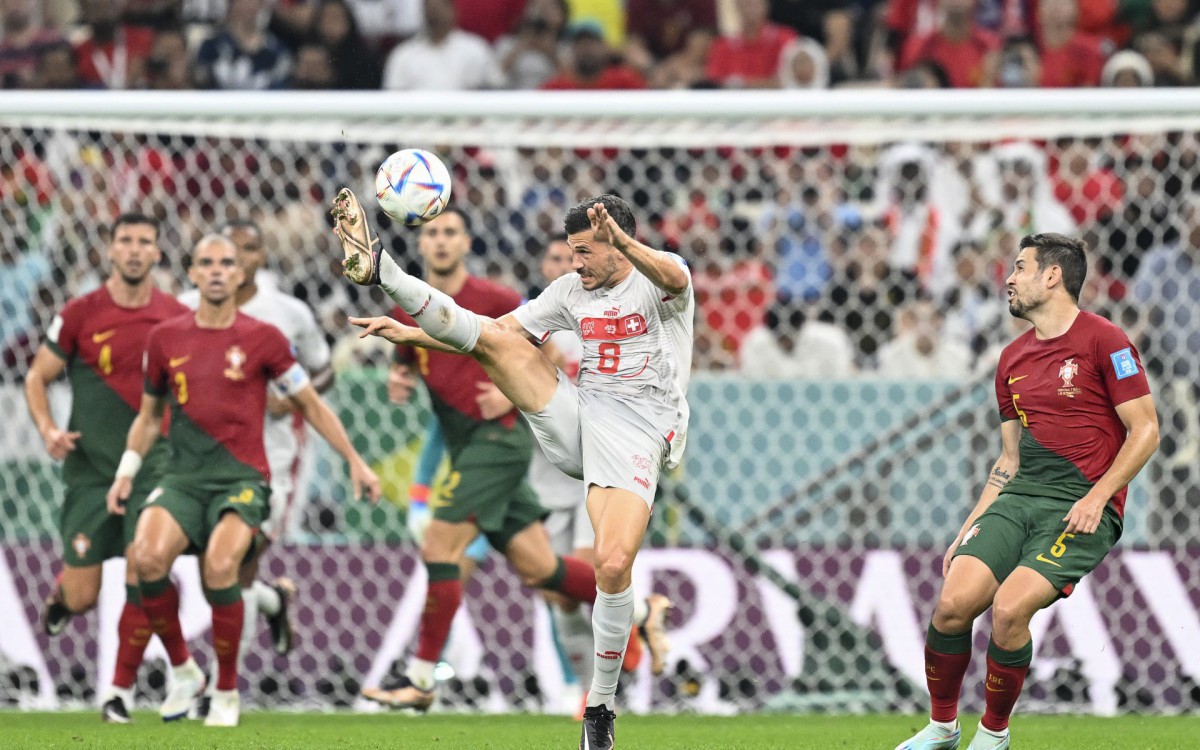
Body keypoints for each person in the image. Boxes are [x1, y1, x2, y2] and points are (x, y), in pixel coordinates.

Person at [333, 190, 682, 749]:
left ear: (618, 244)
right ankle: (384, 270)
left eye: (585, 251)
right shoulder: (569, 290)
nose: (575, 263)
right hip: (579, 420)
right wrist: (414, 335)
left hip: (638, 435)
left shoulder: (660, 280)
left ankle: (600, 709)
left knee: (611, 565)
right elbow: (490, 335)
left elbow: (675, 278)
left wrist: (624, 241)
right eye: (570, 251)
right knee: (498, 341)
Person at [895, 233, 1158, 750]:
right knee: (952, 605)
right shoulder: (1011, 358)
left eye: (1020, 267)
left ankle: (993, 735)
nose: (1009, 279)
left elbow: (1146, 430)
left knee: (1010, 609)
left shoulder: (1107, 341)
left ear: (1052, 276)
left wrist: (1097, 497)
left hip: (1081, 505)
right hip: (1019, 499)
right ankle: (942, 728)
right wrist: (970, 524)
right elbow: (1009, 460)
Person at [106, 234, 380, 727]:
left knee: (220, 567)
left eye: (226, 263)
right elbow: (148, 418)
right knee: (145, 560)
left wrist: (356, 461)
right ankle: (184, 670)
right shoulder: (164, 339)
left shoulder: (264, 338)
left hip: (243, 479)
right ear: (192, 274)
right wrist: (126, 471)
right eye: (206, 262)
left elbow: (310, 404)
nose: (216, 270)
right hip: (183, 477)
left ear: (239, 275)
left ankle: (227, 691)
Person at [355, 208, 614, 713]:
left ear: (466, 242)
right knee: (540, 569)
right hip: (466, 446)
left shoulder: (495, 299)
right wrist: (400, 379)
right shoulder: (409, 307)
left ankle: (421, 679)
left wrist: (515, 391)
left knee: (439, 545)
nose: (441, 240)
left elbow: (545, 349)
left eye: (450, 231)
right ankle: (641, 610)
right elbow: (410, 357)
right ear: (421, 243)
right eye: (432, 232)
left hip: (497, 443)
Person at [23, 213, 190, 723]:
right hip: (90, 470)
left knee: (145, 570)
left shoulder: (176, 317)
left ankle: (118, 692)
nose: (135, 249)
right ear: (110, 250)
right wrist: (48, 429)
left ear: (158, 252)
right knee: (82, 596)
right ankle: (63, 599)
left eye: (145, 241)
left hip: (153, 467)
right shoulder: (80, 313)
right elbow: (36, 377)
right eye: (125, 241)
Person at [178, 219, 336, 713]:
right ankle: (271, 602)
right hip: (203, 461)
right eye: (228, 250)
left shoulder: (287, 313)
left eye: (247, 250)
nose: (238, 259)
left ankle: (220, 688)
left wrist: (290, 399)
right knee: (215, 573)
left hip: (272, 459)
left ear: (261, 258)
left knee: (235, 566)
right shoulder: (185, 308)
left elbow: (324, 370)